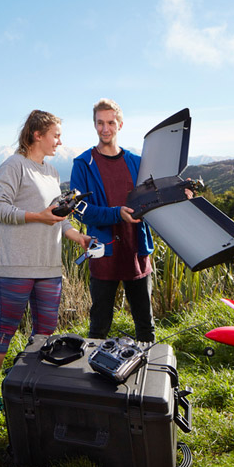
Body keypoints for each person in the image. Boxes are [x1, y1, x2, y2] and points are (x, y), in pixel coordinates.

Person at [0, 110, 93, 414]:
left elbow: (56, 219)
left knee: (44, 332)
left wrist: (77, 235)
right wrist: (36, 216)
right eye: (55, 135)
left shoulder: (52, 173)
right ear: (36, 135)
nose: (60, 140)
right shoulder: (14, 165)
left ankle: (33, 392)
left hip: (49, 267)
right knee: (4, 329)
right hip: (16, 265)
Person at [69, 99, 157, 343]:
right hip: (104, 253)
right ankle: (92, 378)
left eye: (110, 122)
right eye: (99, 123)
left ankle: (148, 376)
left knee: (145, 325)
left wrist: (182, 191)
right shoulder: (83, 164)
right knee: (99, 327)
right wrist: (116, 213)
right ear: (94, 124)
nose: (104, 129)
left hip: (136, 251)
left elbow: (154, 197)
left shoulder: (137, 162)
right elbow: (80, 211)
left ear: (120, 124)